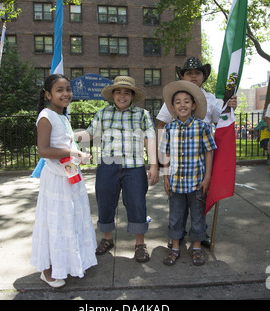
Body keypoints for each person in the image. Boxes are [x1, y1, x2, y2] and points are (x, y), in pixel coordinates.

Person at [156, 57, 237, 248]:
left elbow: (221, 121)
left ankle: (200, 234)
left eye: (198, 73)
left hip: (202, 159)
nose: (193, 76)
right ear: (182, 75)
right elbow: (162, 124)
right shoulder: (176, 98)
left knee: (200, 200)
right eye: (189, 73)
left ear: (203, 76)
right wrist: (161, 159)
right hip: (177, 159)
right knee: (178, 204)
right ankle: (178, 233)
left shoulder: (210, 99)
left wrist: (229, 106)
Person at [76, 76, 159, 263]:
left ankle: (140, 244)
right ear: (113, 95)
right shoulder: (102, 113)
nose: (122, 96)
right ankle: (107, 239)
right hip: (108, 166)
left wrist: (154, 165)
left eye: (127, 92)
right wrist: (68, 133)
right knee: (104, 202)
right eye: (118, 92)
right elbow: (89, 134)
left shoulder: (142, 114)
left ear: (132, 95)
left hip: (134, 167)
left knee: (137, 204)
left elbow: (150, 140)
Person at [31, 74, 97, 288]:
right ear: (48, 94)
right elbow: (44, 150)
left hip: (70, 176)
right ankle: (48, 269)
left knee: (70, 220)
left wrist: (79, 154)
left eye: (68, 89)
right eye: (59, 90)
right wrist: (72, 152)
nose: (66, 93)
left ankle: (69, 262)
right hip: (56, 181)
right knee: (55, 223)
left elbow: (67, 145)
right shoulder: (46, 116)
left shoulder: (62, 116)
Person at [159, 80, 216, 266]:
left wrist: (207, 177)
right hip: (175, 183)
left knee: (198, 215)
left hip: (197, 182)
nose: (182, 104)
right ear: (173, 107)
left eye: (186, 101)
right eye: (178, 102)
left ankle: (197, 248)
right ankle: (175, 247)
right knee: (175, 215)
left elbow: (209, 151)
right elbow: (166, 154)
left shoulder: (202, 127)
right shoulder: (169, 129)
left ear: (193, 105)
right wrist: (165, 177)